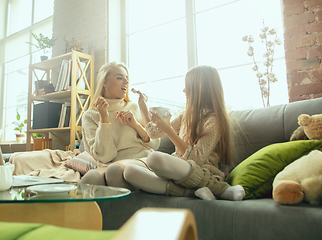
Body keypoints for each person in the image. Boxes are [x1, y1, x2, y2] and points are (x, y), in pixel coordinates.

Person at [123, 65, 245, 201]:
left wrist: (169, 130)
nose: (184, 90)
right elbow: (152, 133)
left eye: (187, 86)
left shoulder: (214, 120)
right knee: (130, 172)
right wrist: (143, 108)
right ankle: (192, 192)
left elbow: (195, 159)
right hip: (177, 172)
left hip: (200, 171)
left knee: (154, 159)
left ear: (199, 89)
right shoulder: (184, 117)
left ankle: (219, 189)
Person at [79, 61, 159, 190]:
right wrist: (104, 119)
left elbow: (155, 144)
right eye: (120, 78)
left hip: (141, 159)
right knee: (89, 179)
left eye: (127, 79)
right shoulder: (90, 116)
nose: (126, 83)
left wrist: (136, 125)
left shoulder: (133, 107)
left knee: (115, 172)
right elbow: (105, 156)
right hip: (109, 163)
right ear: (104, 83)